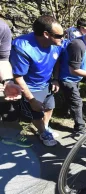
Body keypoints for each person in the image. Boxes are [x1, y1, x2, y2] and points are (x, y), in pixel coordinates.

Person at [10, 15, 67, 146]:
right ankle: (42, 132)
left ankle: (45, 127)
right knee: (36, 112)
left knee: (49, 107)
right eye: (59, 36)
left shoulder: (57, 43)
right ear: (46, 34)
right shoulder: (22, 47)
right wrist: (31, 99)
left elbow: (57, 60)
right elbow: (18, 77)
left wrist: (56, 79)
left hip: (47, 83)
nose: (62, 38)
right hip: (30, 86)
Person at [0, 19, 32, 148]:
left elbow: (2, 60)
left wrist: (7, 81)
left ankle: (12, 137)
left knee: (9, 106)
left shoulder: (2, 27)